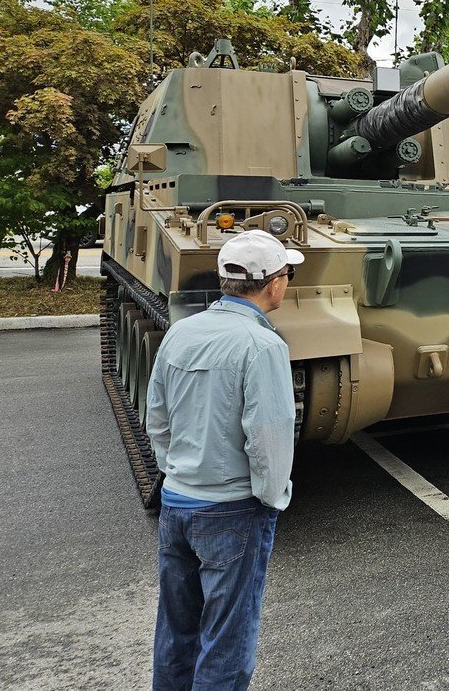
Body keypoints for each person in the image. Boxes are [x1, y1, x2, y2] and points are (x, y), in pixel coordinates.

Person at [147, 229, 302, 691]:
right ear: (274, 283)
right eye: (286, 274)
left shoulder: (181, 332)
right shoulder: (263, 346)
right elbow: (270, 439)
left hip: (177, 504)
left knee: (177, 630)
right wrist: (272, 500)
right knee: (228, 643)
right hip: (232, 511)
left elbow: (157, 419)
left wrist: (179, 472)